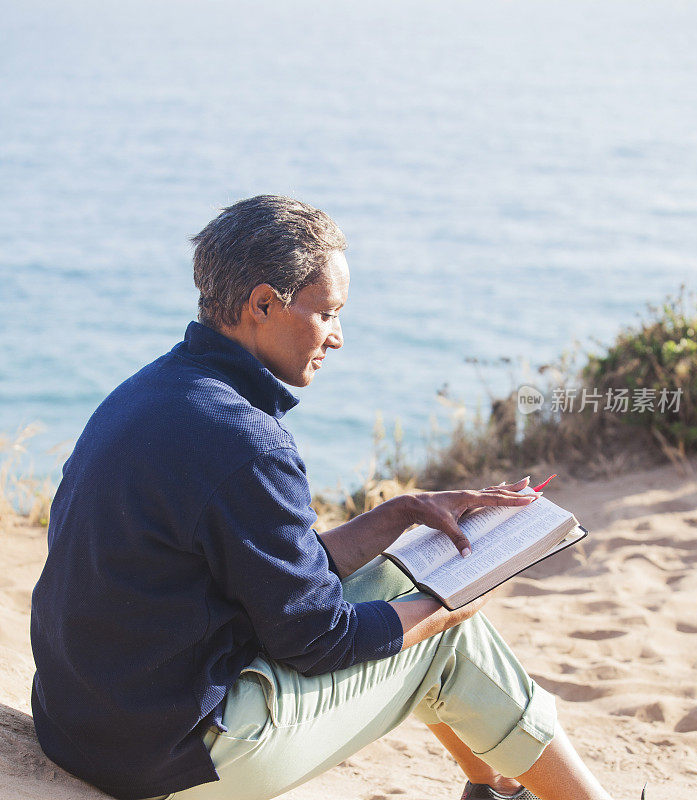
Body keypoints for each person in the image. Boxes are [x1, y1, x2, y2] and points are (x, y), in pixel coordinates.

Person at [30, 195, 614, 800]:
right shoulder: (246, 443)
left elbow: (278, 580)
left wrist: (404, 510)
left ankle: (494, 790)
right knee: (448, 637)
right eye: (329, 312)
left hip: (83, 724)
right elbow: (318, 641)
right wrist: (453, 607)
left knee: (396, 588)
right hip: (174, 758)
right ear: (263, 304)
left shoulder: (153, 392)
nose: (337, 337)